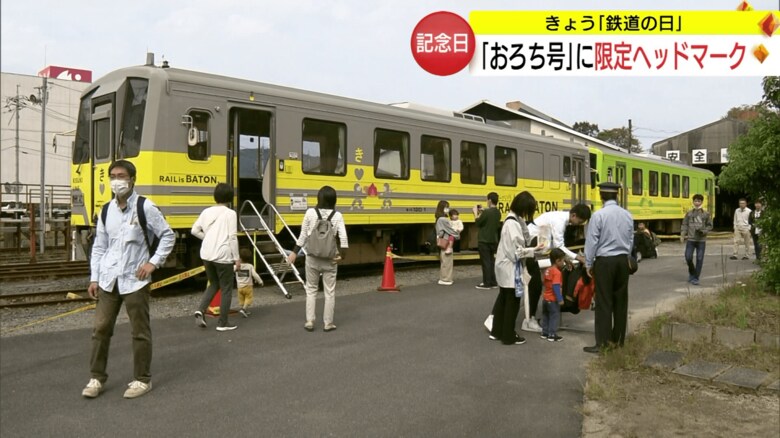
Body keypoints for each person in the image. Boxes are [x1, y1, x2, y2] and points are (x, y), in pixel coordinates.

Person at [82, 160, 175, 399]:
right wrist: (95, 277)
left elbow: (167, 235)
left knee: (139, 331)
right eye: (112, 175)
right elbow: (100, 247)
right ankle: (96, 378)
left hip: (135, 280)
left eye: (121, 176)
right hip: (109, 279)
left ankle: (142, 379)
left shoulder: (145, 207)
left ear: (132, 179)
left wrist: (153, 262)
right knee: (100, 329)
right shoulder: (105, 211)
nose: (116, 180)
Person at [287, 186, 348, 332]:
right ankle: (328, 323)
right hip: (330, 259)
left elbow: (303, 235)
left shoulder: (310, 213)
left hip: (312, 258)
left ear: (318, 198)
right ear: (334, 200)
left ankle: (310, 321)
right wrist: (343, 256)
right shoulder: (337, 216)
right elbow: (343, 238)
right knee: (329, 292)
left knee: (311, 289)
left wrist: (294, 253)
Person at [522, 204, 591, 332]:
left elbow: (555, 245)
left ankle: (529, 318)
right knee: (535, 286)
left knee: (534, 286)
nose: (578, 224)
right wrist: (577, 257)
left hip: (534, 250)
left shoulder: (560, 218)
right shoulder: (559, 221)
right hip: (530, 250)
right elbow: (559, 245)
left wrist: (566, 259)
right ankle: (528, 320)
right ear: (574, 215)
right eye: (579, 221)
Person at [583, 182, 634, 354]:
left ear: (601, 195)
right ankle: (618, 341)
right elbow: (630, 240)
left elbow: (592, 242)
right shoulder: (627, 215)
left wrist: (588, 263)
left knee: (604, 302)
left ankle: (603, 344)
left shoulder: (598, 216)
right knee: (621, 301)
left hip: (605, 262)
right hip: (622, 261)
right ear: (617, 195)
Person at [489, 191, 542, 345]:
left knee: (503, 299)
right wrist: (534, 250)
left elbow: (524, 237)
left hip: (502, 265)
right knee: (512, 301)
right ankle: (508, 335)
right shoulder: (513, 224)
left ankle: (497, 331)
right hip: (509, 267)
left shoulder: (512, 219)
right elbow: (517, 252)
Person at [192, 183, 241, 332]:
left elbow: (194, 230)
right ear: (230, 197)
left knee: (214, 283)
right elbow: (232, 237)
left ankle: (201, 310)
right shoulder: (230, 213)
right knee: (226, 288)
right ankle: (222, 323)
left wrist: (208, 238)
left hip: (206, 254)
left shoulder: (206, 211)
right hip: (222, 255)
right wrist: (237, 258)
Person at [680, 194, 713, 285]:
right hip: (691, 239)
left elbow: (710, 225)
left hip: (701, 240)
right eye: (695, 201)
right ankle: (692, 272)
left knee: (699, 258)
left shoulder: (706, 214)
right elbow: (684, 224)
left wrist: (704, 231)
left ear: (702, 202)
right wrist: (683, 234)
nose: (697, 203)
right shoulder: (689, 213)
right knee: (688, 257)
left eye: (699, 201)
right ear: (693, 202)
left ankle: (696, 278)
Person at [473, 192, 501, 289]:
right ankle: (493, 281)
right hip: (493, 240)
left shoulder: (486, 212)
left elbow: (478, 223)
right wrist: (483, 211)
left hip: (484, 240)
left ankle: (487, 283)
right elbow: (490, 218)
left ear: (489, 200)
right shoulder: (498, 212)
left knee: (485, 262)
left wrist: (475, 213)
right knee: (491, 261)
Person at [540, 248, 566, 342]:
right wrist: (560, 299)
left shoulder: (548, 270)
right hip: (553, 299)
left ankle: (545, 332)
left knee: (546, 315)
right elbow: (556, 286)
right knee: (554, 316)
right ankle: (552, 334)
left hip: (545, 298)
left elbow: (544, 282)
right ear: (557, 260)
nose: (563, 262)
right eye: (562, 260)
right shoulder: (557, 273)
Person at [236, 248, 263, 318]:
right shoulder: (250, 266)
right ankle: (244, 309)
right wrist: (260, 281)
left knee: (242, 299)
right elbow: (255, 275)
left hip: (239, 287)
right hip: (248, 286)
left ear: (240, 258)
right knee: (248, 298)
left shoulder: (237, 266)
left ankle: (243, 309)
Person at [435, 200, 455, 285]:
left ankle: (443, 278)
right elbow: (442, 232)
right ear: (443, 208)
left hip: (443, 241)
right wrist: (456, 233)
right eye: (447, 207)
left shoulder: (439, 218)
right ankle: (446, 279)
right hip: (446, 241)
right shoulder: (443, 219)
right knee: (447, 261)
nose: (448, 209)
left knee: (444, 260)